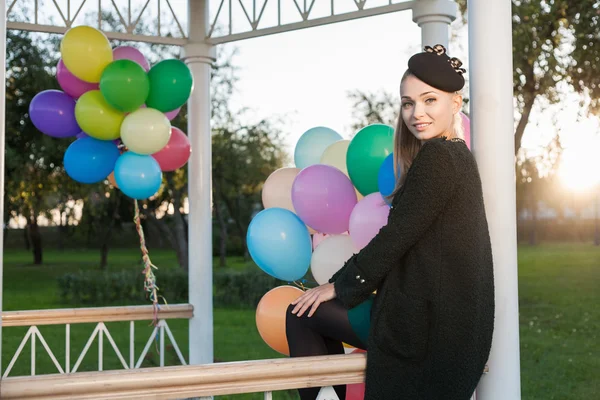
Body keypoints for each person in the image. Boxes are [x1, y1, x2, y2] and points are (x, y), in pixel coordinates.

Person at [285, 44, 495, 400]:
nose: (417, 113)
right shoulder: (459, 157)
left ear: (455, 103)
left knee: (301, 313)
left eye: (430, 101)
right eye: (408, 103)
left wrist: (340, 285)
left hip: (426, 329)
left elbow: (396, 236)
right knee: (310, 311)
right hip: (450, 325)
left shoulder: (440, 157)